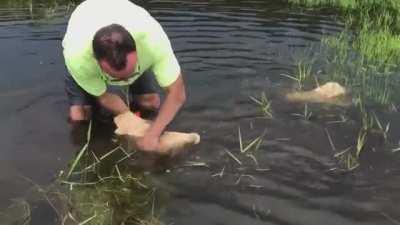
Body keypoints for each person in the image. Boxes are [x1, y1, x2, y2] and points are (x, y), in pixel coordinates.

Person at [62, 0, 186, 152]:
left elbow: (177, 94)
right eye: (118, 78)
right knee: (79, 114)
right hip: (83, 30)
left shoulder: (153, 41)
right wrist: (129, 119)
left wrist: (152, 134)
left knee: (151, 103)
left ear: (137, 50)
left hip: (133, 29)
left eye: (130, 74)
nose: (126, 81)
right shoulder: (78, 58)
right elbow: (104, 96)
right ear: (96, 61)